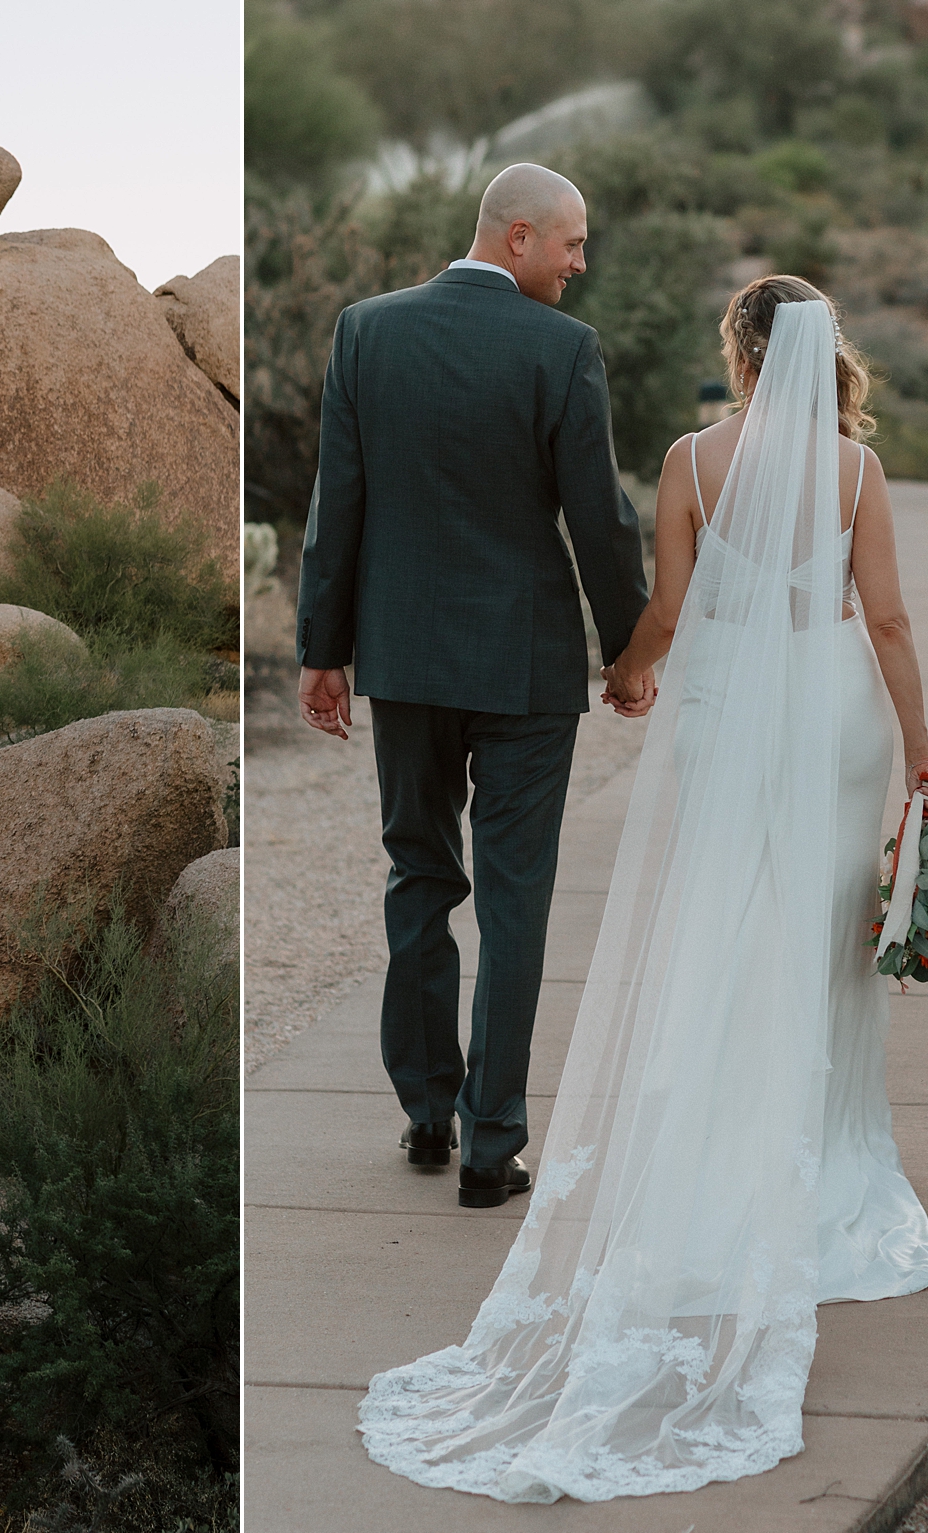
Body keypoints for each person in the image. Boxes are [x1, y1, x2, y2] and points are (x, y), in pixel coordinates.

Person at [356, 278, 928, 1502]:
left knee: (720, 921)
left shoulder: (687, 461)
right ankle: (826, 1160)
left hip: (728, 709)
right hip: (833, 710)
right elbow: (884, 621)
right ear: (819, 355)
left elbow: (667, 612)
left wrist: (628, 677)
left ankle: (717, 1140)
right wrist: (924, 757)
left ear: (737, 349)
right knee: (824, 931)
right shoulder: (851, 474)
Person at [295, 162, 652, 1209]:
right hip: (524, 665)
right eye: (571, 244)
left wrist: (325, 649)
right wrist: (628, 651)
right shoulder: (561, 350)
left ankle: (423, 1112)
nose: (581, 265)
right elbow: (598, 517)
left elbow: (337, 504)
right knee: (513, 899)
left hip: (403, 661)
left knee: (418, 876)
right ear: (516, 237)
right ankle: (491, 1144)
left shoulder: (365, 330)